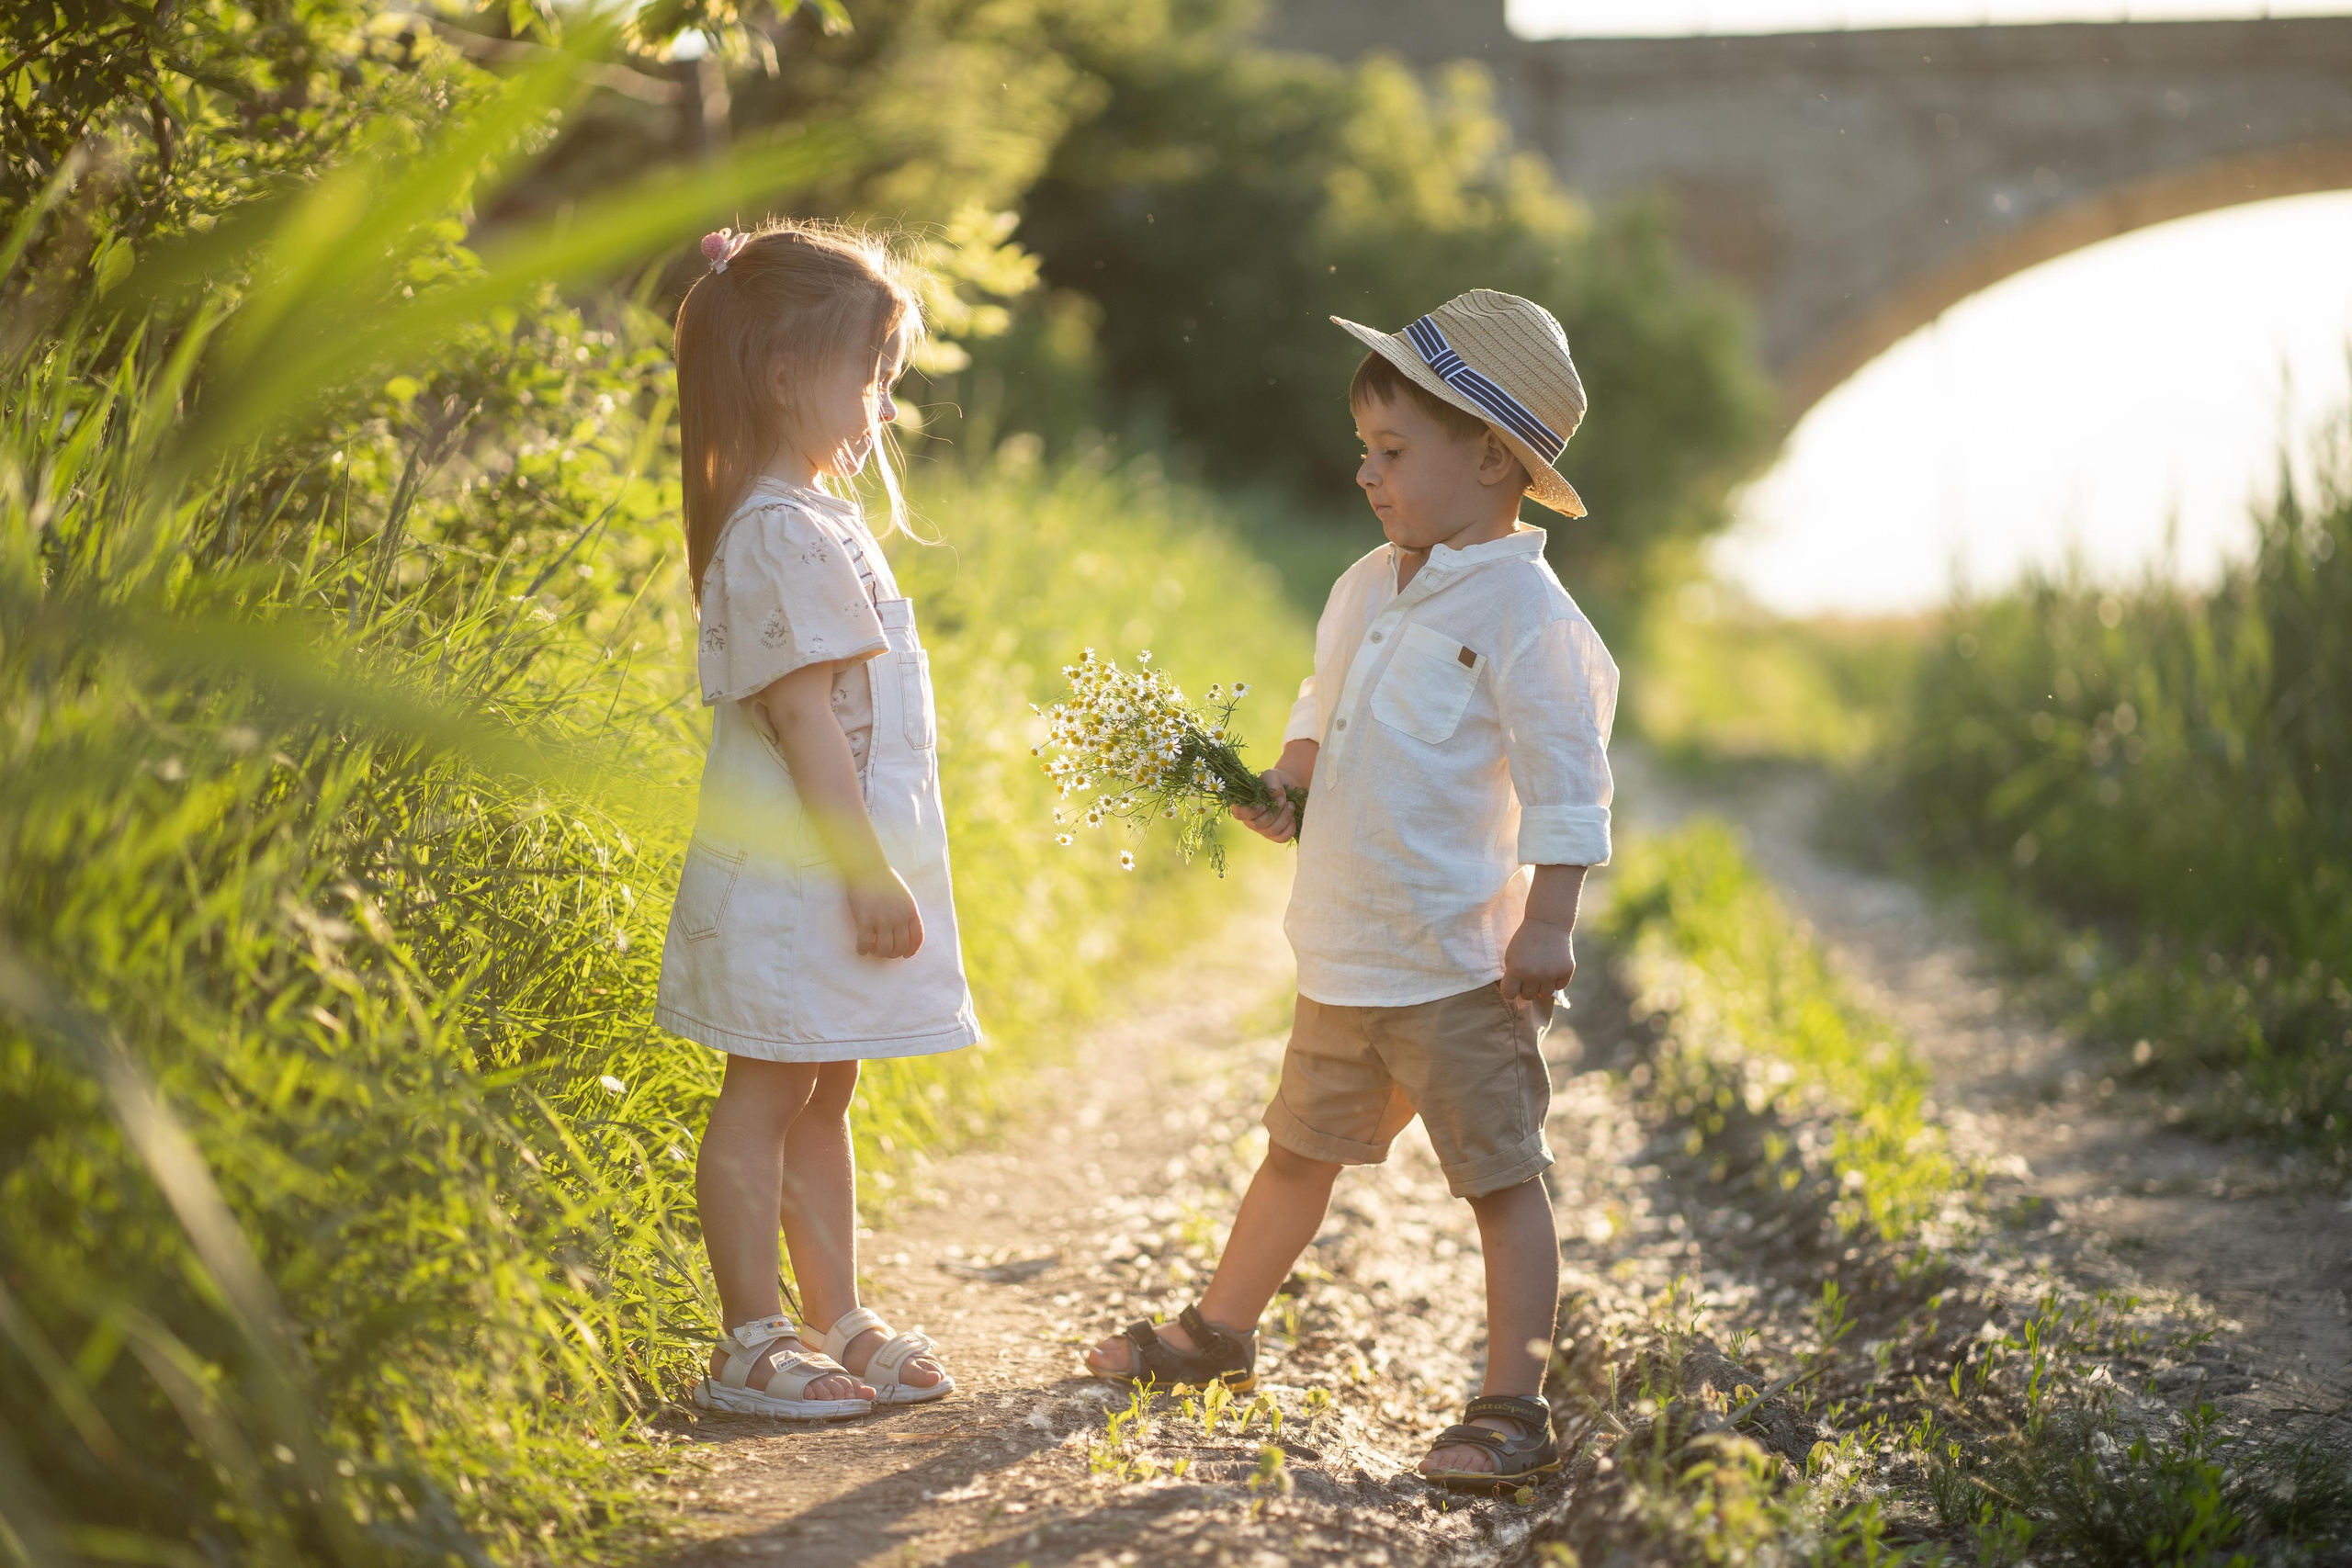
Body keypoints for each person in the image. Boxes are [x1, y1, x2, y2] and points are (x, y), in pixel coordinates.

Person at [1082, 289, 1617, 1492]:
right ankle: (1220, 1333)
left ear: (1491, 458)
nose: (1366, 473)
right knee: (1295, 1150)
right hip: (1346, 952)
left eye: (1392, 452)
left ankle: (1511, 1403)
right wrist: (1281, 792)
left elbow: (1567, 780)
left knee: (1499, 1176)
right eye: (1365, 451)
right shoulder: (1366, 585)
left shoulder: (1529, 616)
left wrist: (1550, 919)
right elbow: (1320, 723)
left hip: (1457, 968)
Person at [657, 221, 978, 1419]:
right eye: (869, 373)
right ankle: (750, 1334)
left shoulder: (819, 518)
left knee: (824, 1089)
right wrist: (863, 875)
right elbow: (805, 730)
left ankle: (834, 1313)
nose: (881, 402)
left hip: (831, 872)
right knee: (765, 1091)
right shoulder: (777, 531)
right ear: (786, 375)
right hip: (799, 878)